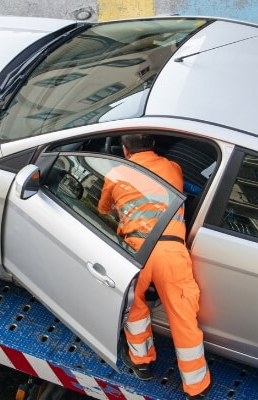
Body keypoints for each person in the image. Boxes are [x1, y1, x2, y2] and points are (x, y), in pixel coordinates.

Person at [97, 134, 211, 399]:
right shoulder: (173, 168)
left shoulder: (115, 174)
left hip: (136, 252)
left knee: (134, 309)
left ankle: (143, 363)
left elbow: (103, 209)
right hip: (172, 251)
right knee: (183, 318)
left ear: (125, 150)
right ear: (153, 145)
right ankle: (196, 387)